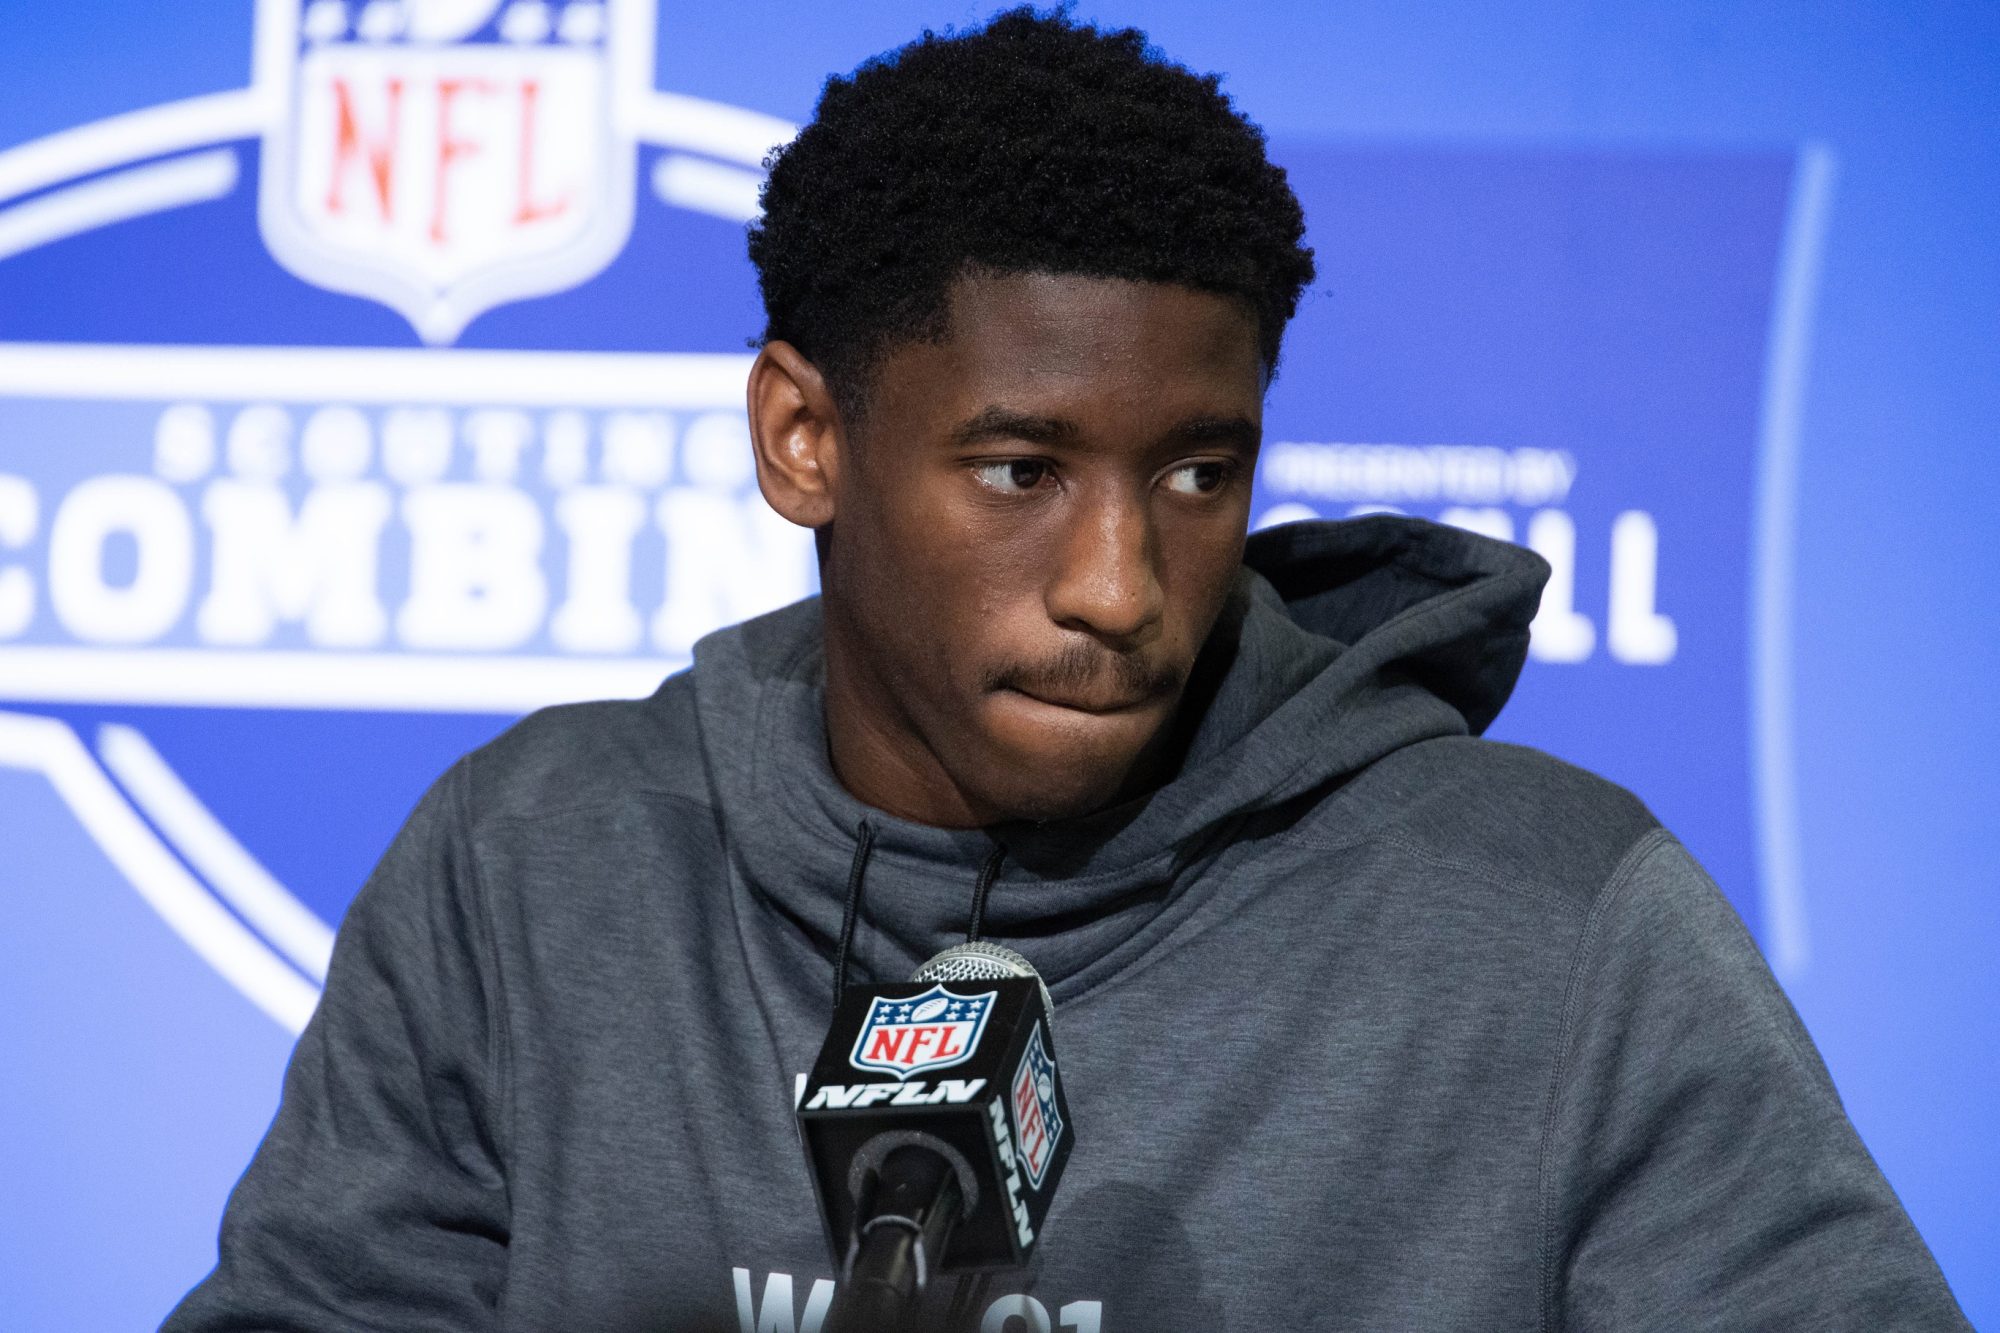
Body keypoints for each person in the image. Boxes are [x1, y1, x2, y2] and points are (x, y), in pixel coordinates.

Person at [166, 9, 1969, 1331]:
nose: (1120, 587)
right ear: (804, 436)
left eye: (1200, 473)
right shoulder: (528, 865)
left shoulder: (1560, 925)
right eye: (1022, 472)